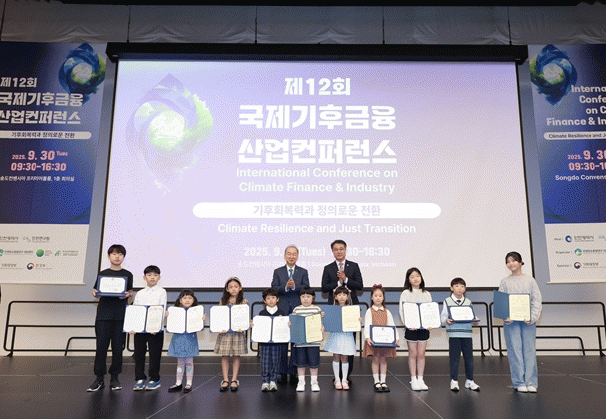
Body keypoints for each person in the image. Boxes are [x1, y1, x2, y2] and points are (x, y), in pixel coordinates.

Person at [88, 244, 134, 392]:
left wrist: (128, 294)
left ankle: (115, 378)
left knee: (117, 349)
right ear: (109, 256)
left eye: (120, 254)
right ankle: (99, 378)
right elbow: (96, 291)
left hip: (120, 316)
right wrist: (95, 293)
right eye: (114, 254)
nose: (117, 257)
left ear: (123, 257)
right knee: (101, 347)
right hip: (103, 316)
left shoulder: (128, 274)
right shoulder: (103, 274)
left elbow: (129, 292)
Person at [499, 251, 542, 393]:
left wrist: (532, 317)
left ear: (520, 262)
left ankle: (531, 382)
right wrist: (505, 316)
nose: (510, 264)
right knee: (514, 351)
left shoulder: (530, 280)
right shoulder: (505, 281)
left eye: (513, 260)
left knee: (529, 351)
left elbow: (536, 299)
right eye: (508, 261)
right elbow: (501, 302)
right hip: (511, 322)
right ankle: (519, 382)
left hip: (527, 321)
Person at [321, 239, 363, 382]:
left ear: (345, 250)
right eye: (336, 249)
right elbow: (324, 288)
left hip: (350, 309)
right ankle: (337, 376)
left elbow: (360, 285)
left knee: (349, 342)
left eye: (341, 249)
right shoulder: (328, 268)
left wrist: (346, 279)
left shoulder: (354, 266)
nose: (338, 251)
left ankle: (346, 375)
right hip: (335, 309)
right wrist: (338, 283)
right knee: (337, 342)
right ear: (332, 252)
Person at [271, 245, 309, 383]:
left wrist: (295, 287)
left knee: (295, 342)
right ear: (284, 256)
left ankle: (293, 371)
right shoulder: (278, 271)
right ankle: (281, 371)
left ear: (297, 256)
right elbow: (274, 288)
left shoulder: (303, 271)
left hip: (297, 309)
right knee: (282, 342)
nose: (291, 256)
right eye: (289, 254)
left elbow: (306, 288)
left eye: (294, 254)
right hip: (282, 310)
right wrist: (286, 287)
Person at [129, 265, 167, 391]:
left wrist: (155, 326)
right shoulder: (140, 293)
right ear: (144, 277)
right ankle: (140, 378)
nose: (152, 277)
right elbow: (135, 311)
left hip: (155, 329)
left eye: (155, 275)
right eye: (149, 275)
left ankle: (154, 379)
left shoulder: (162, 292)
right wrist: (133, 326)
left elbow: (161, 310)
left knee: (155, 354)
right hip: (140, 329)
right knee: (139, 354)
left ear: (159, 277)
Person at [440, 277, 480, 392]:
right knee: (454, 359)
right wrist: (446, 320)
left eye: (462, 286)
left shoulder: (468, 302)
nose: (459, 288)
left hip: (467, 334)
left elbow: (472, 316)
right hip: (454, 334)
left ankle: (470, 380)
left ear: (465, 289)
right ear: (451, 288)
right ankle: (454, 381)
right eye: (457, 286)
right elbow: (443, 316)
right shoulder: (447, 301)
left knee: (469, 359)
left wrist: (475, 320)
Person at [399, 267, 432, 391]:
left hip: (423, 328)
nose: (415, 278)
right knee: (413, 353)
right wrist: (407, 324)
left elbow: (429, 310)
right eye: (412, 276)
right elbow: (402, 311)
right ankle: (413, 378)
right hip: (411, 328)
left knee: (421, 354)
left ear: (421, 277)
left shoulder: (426, 294)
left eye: (417, 276)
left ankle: (421, 379)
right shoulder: (405, 293)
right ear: (408, 279)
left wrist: (429, 323)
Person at [215, 276, 248, 392]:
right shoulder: (223, 302)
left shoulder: (244, 302)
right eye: (231, 287)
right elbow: (219, 317)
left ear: (240, 288)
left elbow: (245, 318)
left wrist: (245, 325)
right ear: (227, 289)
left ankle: (234, 379)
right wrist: (220, 327)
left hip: (237, 333)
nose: (233, 289)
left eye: (236, 287)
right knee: (224, 356)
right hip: (225, 334)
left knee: (236, 356)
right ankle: (225, 380)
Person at [363, 284, 398, 392]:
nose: (378, 298)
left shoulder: (387, 312)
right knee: (375, 359)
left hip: (385, 341)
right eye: (375, 296)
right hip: (374, 340)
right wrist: (367, 337)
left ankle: (383, 381)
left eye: (380, 296)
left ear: (383, 298)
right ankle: (376, 381)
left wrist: (396, 337)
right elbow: (367, 325)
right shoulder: (369, 311)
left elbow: (392, 325)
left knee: (383, 359)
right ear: (371, 297)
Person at [323, 286, 360, 390]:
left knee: (345, 358)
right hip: (336, 335)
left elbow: (356, 322)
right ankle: (337, 379)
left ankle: (344, 379)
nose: (342, 297)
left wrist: (358, 320)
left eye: (344, 295)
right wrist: (324, 316)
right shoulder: (332, 309)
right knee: (336, 356)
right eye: (339, 295)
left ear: (348, 296)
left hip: (347, 336)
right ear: (335, 297)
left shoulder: (351, 309)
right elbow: (327, 322)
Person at [253, 288, 287, 392]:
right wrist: (254, 324)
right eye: (268, 298)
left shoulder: (282, 312)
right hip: (265, 343)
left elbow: (284, 328)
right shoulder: (262, 313)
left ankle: (273, 381)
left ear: (277, 299)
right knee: (265, 362)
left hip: (277, 343)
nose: (271, 300)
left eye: (273, 297)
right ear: (264, 301)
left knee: (276, 361)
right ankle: (265, 381)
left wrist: (288, 325)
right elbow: (259, 328)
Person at [167, 289, 200, 393]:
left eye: (190, 298)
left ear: (193, 300)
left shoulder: (196, 312)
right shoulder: (175, 312)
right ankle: (178, 383)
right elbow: (171, 324)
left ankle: (188, 383)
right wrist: (168, 316)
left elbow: (199, 325)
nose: (187, 300)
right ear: (180, 300)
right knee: (180, 362)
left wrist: (201, 319)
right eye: (185, 298)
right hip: (178, 339)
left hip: (190, 339)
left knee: (189, 362)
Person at [291, 287, 324, 392]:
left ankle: (314, 382)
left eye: (308, 296)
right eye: (303, 296)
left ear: (313, 298)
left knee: (314, 364)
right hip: (300, 343)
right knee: (300, 364)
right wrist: (290, 324)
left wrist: (322, 327)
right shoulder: (296, 310)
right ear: (300, 298)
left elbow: (321, 323)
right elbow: (294, 324)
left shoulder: (317, 309)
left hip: (313, 342)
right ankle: (301, 382)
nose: (305, 299)